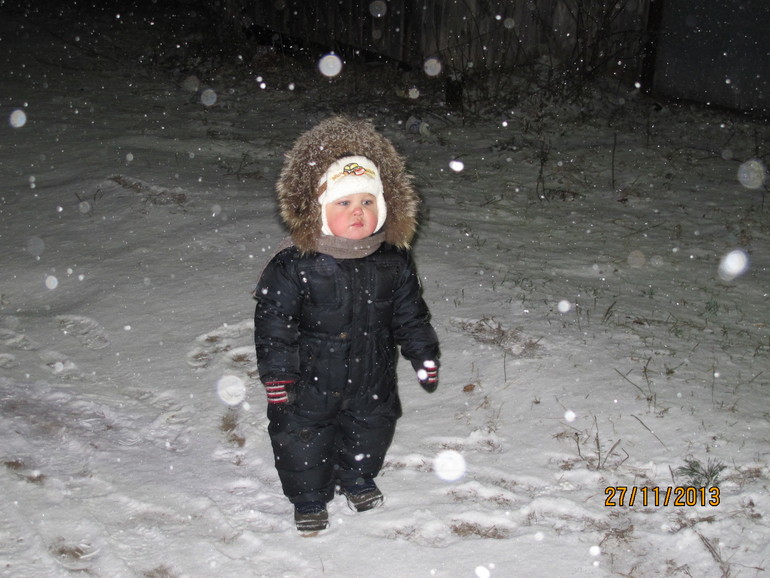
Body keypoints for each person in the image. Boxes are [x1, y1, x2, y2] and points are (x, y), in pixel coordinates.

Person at [253, 116, 440, 533]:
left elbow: (410, 314)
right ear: (317, 211)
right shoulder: (293, 264)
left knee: (370, 431)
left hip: (371, 377)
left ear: (385, 206)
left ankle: (356, 477)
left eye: (367, 202)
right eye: (344, 203)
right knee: (303, 439)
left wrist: (423, 354)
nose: (358, 212)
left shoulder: (393, 260)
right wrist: (279, 373)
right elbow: (274, 323)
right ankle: (308, 498)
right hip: (309, 381)